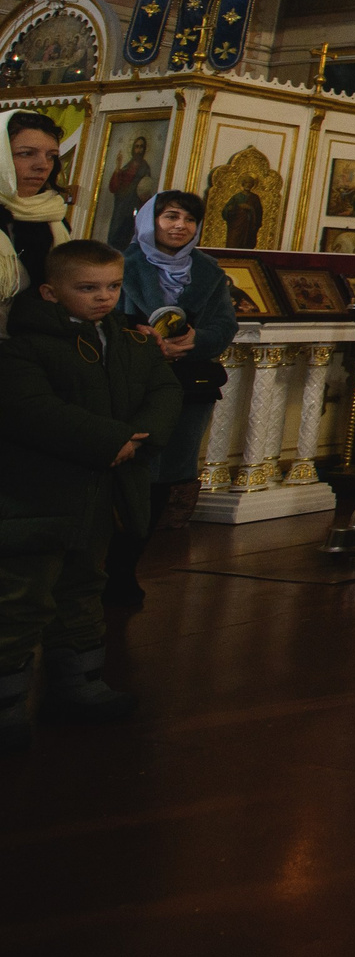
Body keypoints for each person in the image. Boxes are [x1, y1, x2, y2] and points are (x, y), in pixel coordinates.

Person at [0, 240, 182, 750]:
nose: (104, 298)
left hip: (101, 492)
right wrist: (111, 440)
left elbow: (163, 390)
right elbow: (30, 409)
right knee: (21, 598)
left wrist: (140, 436)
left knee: (82, 589)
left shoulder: (128, 341)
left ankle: (77, 686)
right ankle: (6, 705)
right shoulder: (21, 344)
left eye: (112, 286)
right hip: (37, 495)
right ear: (50, 292)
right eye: (87, 288)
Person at [106, 190, 237, 605]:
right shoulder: (121, 264)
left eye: (189, 219)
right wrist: (141, 341)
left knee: (164, 478)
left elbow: (224, 325)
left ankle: (129, 570)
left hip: (186, 386)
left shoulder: (209, 271)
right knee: (128, 472)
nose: (180, 226)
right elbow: (103, 316)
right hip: (130, 384)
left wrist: (194, 342)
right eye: (170, 216)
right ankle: (107, 570)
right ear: (150, 220)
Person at [0, 112, 72, 316]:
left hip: (37, 338)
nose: (42, 165)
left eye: (51, 156)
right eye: (26, 153)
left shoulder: (52, 216)